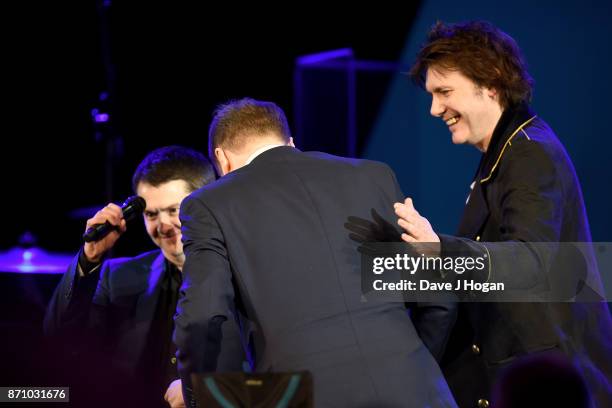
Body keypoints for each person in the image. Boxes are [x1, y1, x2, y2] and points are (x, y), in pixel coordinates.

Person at [174, 98, 457, 407]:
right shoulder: (374, 174)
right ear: (290, 142)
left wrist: (198, 397)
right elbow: (434, 293)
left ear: (222, 159)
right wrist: (410, 362)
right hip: (415, 387)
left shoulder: (207, 204)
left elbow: (202, 317)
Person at [396, 20, 612, 407]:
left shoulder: (528, 154)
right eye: (431, 95)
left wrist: (440, 250)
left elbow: (532, 262)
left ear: (491, 83)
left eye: (444, 92)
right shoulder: (503, 153)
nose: (433, 109)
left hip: (546, 384)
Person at [44, 146, 246, 408]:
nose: (162, 226)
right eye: (151, 214)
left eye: (174, 210)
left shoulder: (247, 277)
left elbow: (282, 378)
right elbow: (58, 338)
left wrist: (210, 392)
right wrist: (89, 258)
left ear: (206, 205)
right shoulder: (116, 277)